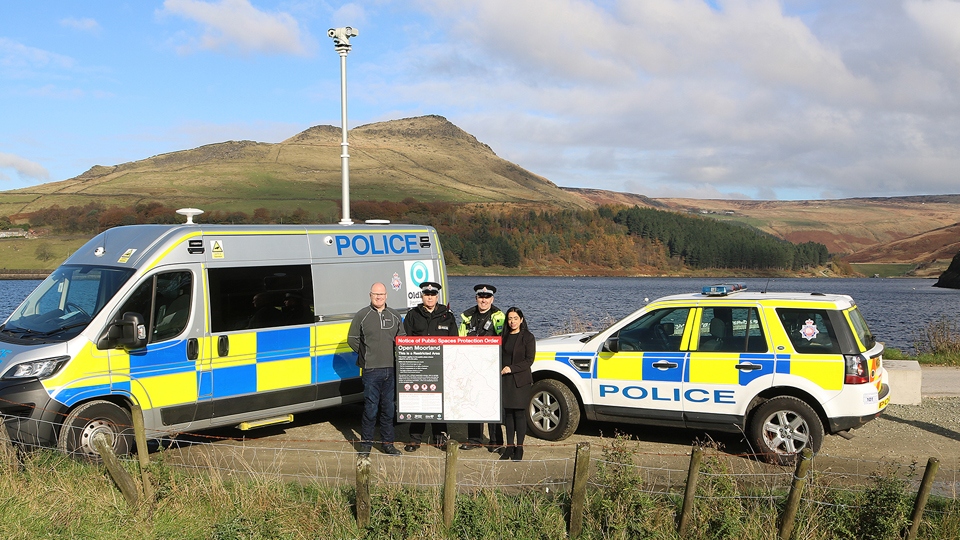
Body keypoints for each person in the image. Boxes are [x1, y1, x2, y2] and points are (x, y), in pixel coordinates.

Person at [347, 282, 405, 456]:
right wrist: (366, 355)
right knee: (370, 409)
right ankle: (366, 445)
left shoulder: (394, 315)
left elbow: (401, 339)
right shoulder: (362, 315)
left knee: (388, 409)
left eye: (381, 294)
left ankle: (388, 444)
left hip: (391, 369)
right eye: (375, 294)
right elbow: (352, 339)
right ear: (370, 295)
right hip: (371, 370)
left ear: (386, 295)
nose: (378, 297)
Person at [403, 281, 458, 452]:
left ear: (437, 296)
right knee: (418, 402)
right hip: (419, 366)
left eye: (433, 295)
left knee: (439, 404)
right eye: (427, 294)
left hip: (441, 367)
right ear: (422, 296)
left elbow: (454, 341)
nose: (430, 297)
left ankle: (440, 439)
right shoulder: (413, 315)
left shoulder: (447, 316)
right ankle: (414, 439)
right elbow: (406, 340)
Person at [458, 284, 506, 451]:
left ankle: (495, 441)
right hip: (471, 368)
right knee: (473, 403)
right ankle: (474, 439)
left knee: (492, 405)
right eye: (481, 297)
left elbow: (504, 341)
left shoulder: (499, 317)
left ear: (492, 299)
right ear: (476, 298)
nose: (483, 300)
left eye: (487, 298)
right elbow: (460, 340)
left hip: (491, 368)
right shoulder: (467, 317)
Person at [499, 307, 535, 461]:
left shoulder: (528, 337)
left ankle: (519, 448)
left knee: (519, 414)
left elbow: (529, 360)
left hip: (520, 381)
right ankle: (509, 446)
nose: (512, 321)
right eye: (509, 318)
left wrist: (511, 369)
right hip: (506, 381)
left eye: (515, 318)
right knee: (508, 415)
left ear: (521, 319)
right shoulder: (504, 336)